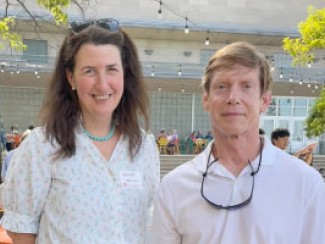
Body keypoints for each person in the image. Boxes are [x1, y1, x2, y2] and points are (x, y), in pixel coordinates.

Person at [2, 18, 160, 243]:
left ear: (125, 74)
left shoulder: (143, 148)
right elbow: (21, 228)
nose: (103, 84)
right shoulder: (43, 146)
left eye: (112, 69)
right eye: (89, 71)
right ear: (70, 78)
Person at [152, 42, 325, 243]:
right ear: (206, 99)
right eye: (222, 87)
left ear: (265, 100)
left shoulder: (305, 183)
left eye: (246, 86)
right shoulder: (175, 186)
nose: (233, 98)